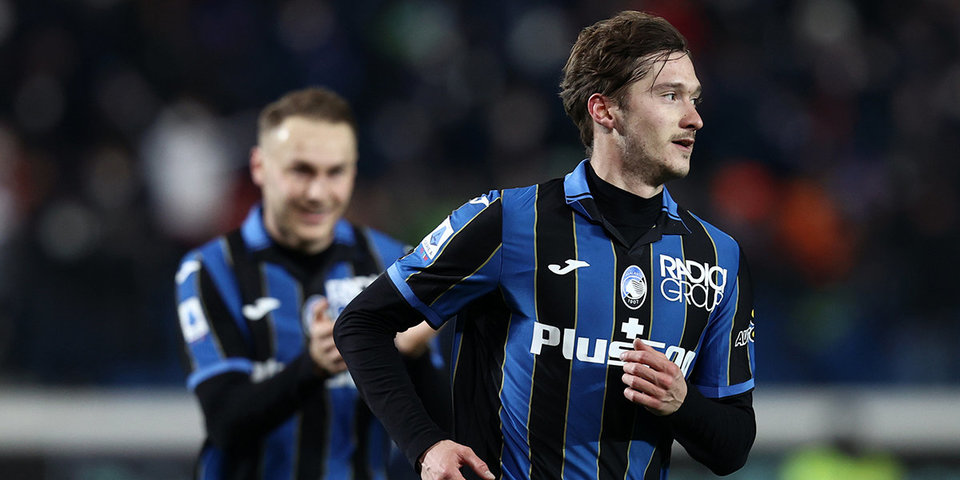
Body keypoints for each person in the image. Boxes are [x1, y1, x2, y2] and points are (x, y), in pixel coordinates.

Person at [334, 10, 757, 480]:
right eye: (670, 95)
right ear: (605, 111)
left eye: (694, 98)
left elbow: (733, 446)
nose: (694, 118)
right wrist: (425, 445)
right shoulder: (508, 222)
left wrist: (682, 404)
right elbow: (360, 323)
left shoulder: (718, 258)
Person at [174, 87, 443, 480]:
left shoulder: (394, 265)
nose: (318, 193)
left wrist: (411, 356)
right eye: (301, 171)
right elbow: (225, 423)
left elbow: (443, 428)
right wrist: (313, 366)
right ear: (259, 167)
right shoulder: (211, 269)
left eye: (335, 172)